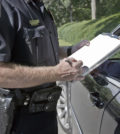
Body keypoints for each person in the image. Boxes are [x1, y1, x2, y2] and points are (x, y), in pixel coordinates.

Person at [0, 0, 89, 134]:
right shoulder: (4, 7)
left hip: (47, 115)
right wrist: (56, 73)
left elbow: (38, 47)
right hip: (19, 120)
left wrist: (70, 50)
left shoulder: (40, 8)